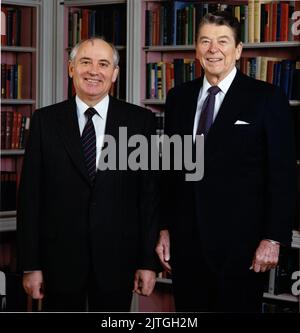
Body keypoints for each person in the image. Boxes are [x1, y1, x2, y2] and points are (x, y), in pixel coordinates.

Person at [156, 11, 297, 312]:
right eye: (205, 41)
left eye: (222, 41)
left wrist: (273, 238)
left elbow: (283, 174)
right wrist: (165, 228)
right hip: (187, 246)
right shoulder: (178, 97)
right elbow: (170, 171)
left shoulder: (267, 98)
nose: (213, 49)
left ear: (239, 50)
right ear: (196, 49)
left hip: (241, 250)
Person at [17, 37, 159, 312]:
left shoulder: (140, 121)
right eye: (85, 62)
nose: (94, 71)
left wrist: (147, 262)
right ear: (71, 68)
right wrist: (30, 265)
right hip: (58, 262)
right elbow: (30, 198)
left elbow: (148, 197)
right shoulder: (45, 121)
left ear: (114, 74)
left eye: (103, 64)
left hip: (118, 263)